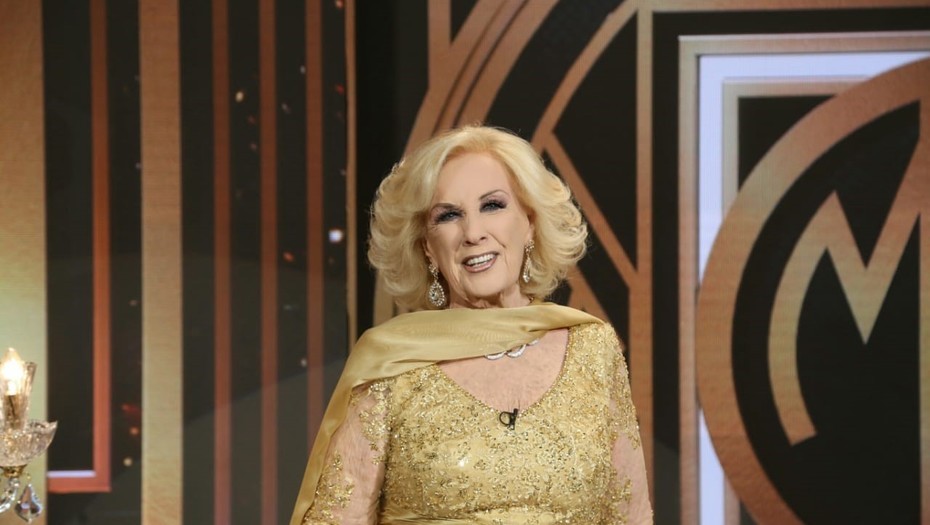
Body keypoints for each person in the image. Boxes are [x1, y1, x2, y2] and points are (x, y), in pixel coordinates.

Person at [290, 125, 652, 524]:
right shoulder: (393, 362)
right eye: (449, 216)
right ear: (428, 246)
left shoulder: (593, 348)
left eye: (493, 205)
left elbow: (631, 515)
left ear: (530, 222)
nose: (473, 233)